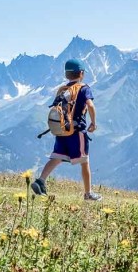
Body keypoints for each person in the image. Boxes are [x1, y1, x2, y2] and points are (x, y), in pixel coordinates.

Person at [30, 58, 101, 201]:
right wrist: (93, 123)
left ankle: (41, 181)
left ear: (66, 74)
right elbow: (90, 105)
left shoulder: (63, 90)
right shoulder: (84, 88)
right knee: (84, 161)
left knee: (57, 157)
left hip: (61, 130)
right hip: (77, 132)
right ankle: (88, 194)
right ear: (81, 73)